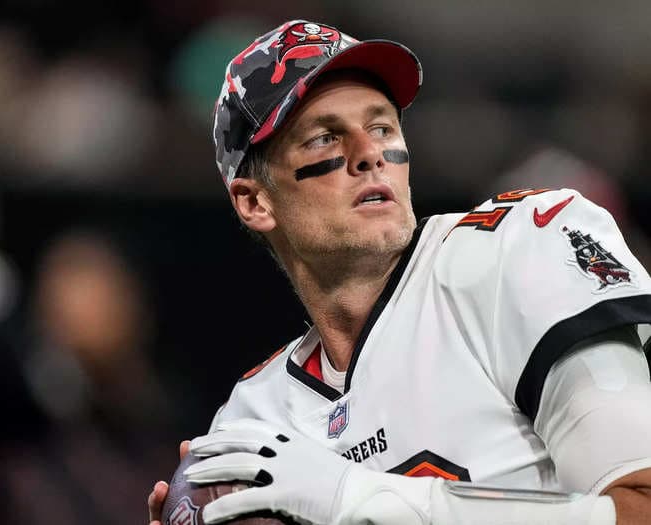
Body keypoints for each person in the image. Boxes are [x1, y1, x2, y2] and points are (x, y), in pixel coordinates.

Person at [148, 19, 651, 525]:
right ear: (255, 201)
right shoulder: (254, 419)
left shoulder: (512, 253)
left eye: (381, 127)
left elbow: (641, 506)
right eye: (325, 139)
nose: (369, 155)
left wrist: (358, 499)